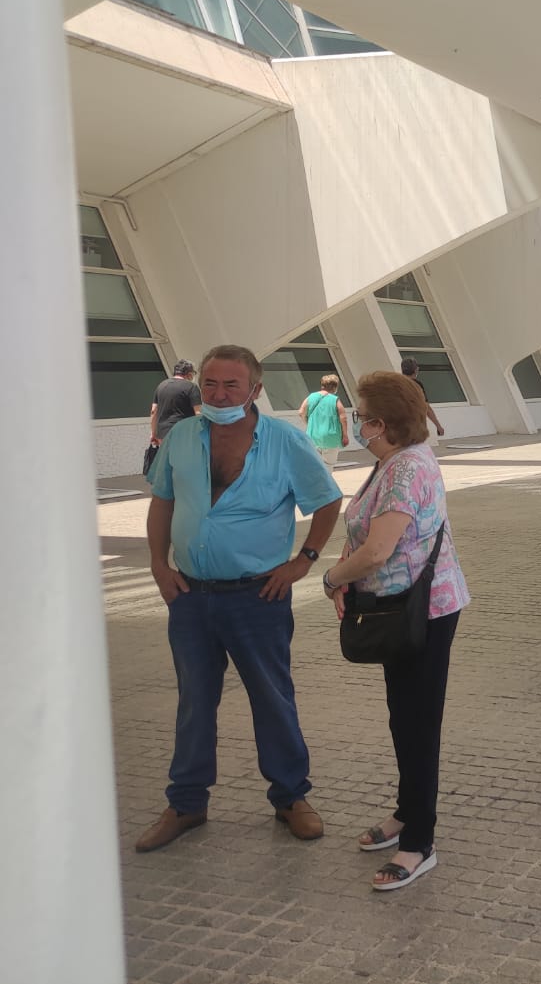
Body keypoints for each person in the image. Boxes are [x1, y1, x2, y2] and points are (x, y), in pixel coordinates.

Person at [137, 345, 343, 853]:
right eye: (210, 384)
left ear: (255, 389)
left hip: (257, 597)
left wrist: (304, 561)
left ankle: (291, 796)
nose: (219, 394)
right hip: (190, 596)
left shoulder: (285, 441)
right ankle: (186, 802)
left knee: (273, 698)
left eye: (231, 385)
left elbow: (328, 499)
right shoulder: (182, 436)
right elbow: (162, 501)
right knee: (193, 702)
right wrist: (158, 566)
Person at [320, 371, 470, 891]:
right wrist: (346, 573)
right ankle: (407, 813)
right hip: (396, 604)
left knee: (418, 722)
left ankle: (419, 843)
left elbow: (378, 549)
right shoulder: (388, 463)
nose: (357, 425)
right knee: (402, 716)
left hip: (423, 609)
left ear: (382, 423)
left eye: (361, 418)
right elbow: (361, 530)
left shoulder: (407, 470)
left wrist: (331, 578)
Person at [149, 359, 200, 454]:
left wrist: (153, 433)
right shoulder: (191, 387)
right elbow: (198, 413)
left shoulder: (161, 386)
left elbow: (153, 411)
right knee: (182, 463)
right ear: (189, 373)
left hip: (163, 434)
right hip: (183, 433)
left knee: (167, 462)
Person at [297, 374, 349, 467]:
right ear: (335, 387)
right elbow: (343, 417)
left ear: (322, 385)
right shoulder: (335, 399)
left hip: (313, 435)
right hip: (331, 436)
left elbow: (301, 412)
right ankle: (325, 481)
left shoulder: (311, 397)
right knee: (328, 465)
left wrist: (308, 424)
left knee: (315, 463)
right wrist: (345, 435)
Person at [398, 357, 447, 438]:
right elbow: (426, 407)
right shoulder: (416, 385)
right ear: (416, 370)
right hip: (414, 425)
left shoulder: (395, 383)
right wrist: (438, 426)